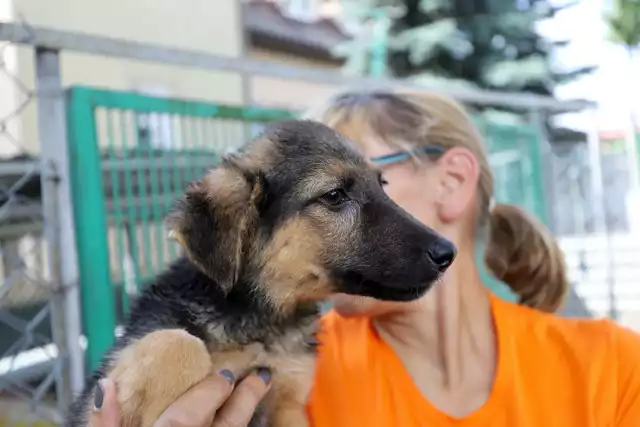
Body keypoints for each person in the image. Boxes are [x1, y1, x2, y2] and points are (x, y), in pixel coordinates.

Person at [90, 91, 640, 427]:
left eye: (375, 179)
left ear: (452, 181)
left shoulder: (612, 369)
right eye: (337, 194)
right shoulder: (284, 368)